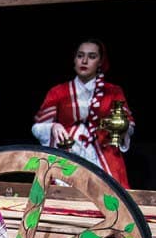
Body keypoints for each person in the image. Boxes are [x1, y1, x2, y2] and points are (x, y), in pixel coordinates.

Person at [32, 38, 135, 188]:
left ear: (100, 62)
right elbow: (37, 128)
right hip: (67, 153)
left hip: (104, 157)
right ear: (74, 59)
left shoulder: (113, 91)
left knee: (110, 196)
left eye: (92, 56)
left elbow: (128, 125)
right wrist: (53, 127)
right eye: (80, 56)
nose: (84, 61)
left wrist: (121, 128)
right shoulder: (58, 92)